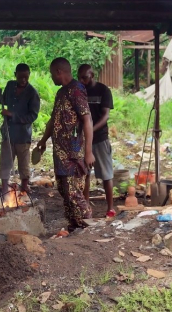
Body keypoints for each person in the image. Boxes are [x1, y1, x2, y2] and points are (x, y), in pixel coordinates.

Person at [36, 58, 95, 232]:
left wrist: (89, 152)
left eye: (51, 74)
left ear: (58, 72)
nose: (51, 77)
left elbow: (87, 120)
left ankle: (89, 225)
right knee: (63, 189)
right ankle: (74, 224)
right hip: (60, 153)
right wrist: (42, 141)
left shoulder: (76, 91)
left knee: (73, 191)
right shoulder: (61, 93)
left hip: (73, 153)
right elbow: (53, 120)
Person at [77, 64, 116, 218]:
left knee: (106, 174)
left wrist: (91, 130)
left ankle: (110, 208)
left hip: (100, 138)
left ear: (92, 75)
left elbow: (105, 116)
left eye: (85, 77)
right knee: (85, 173)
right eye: (79, 77)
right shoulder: (79, 91)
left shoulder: (103, 90)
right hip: (83, 140)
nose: (82, 80)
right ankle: (86, 208)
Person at [0, 63, 40, 196]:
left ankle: (24, 187)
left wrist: (12, 115)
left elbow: (32, 116)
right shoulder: (10, 85)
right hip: (8, 132)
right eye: (20, 77)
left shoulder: (32, 93)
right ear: (15, 75)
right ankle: (4, 188)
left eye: (26, 77)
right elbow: (4, 100)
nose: (23, 80)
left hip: (23, 135)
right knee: (5, 160)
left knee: (23, 162)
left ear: (29, 75)